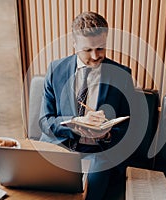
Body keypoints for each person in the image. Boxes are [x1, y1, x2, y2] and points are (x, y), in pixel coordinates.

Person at [39, 11, 135, 200]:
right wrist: (74, 122)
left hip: (99, 153)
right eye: (87, 50)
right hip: (60, 146)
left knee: (90, 196)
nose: (95, 56)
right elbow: (44, 121)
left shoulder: (122, 75)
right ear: (74, 44)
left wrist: (107, 134)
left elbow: (131, 126)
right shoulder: (55, 70)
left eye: (100, 48)